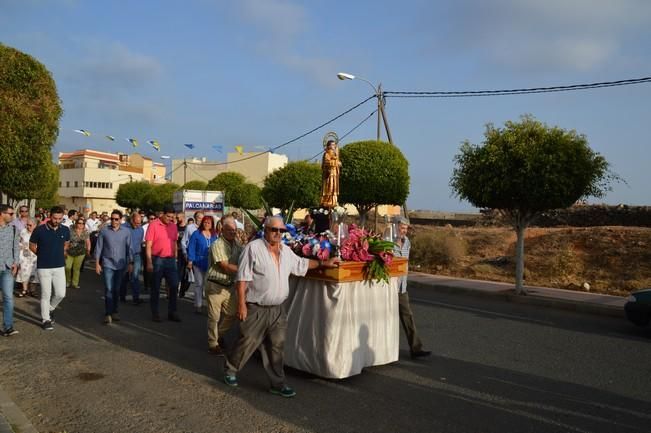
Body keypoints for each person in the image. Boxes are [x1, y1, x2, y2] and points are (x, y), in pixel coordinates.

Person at [223, 216, 340, 397]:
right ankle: (231, 370)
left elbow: (301, 264)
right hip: (256, 307)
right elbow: (242, 278)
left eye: (281, 231)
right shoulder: (253, 249)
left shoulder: (286, 251)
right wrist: (241, 305)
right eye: (274, 230)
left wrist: (324, 263)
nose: (278, 234)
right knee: (247, 342)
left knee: (276, 347)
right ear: (266, 229)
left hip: (278, 309)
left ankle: (277, 383)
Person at [393, 218, 431, 359]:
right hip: (390, 287)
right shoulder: (388, 241)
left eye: (405, 228)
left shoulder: (407, 241)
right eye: (401, 228)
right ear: (395, 227)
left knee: (407, 317)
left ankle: (416, 349)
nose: (403, 231)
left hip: (402, 287)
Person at [204, 216, 242, 355]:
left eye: (234, 230)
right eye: (230, 230)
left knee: (232, 314)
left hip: (229, 286)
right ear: (222, 229)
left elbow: (245, 254)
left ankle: (218, 335)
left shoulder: (237, 244)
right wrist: (244, 270)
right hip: (215, 285)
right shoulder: (217, 244)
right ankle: (213, 344)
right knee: (214, 316)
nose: (233, 232)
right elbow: (224, 266)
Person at [30, 206, 70, 331]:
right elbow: (31, 245)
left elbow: (67, 243)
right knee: (46, 294)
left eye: (59, 218)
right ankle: (46, 319)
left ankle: (51, 308)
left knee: (60, 293)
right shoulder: (39, 230)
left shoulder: (65, 229)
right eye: (54, 218)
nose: (56, 220)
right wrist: (41, 255)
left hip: (59, 266)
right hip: (44, 266)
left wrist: (62, 251)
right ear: (50, 216)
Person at [95, 210, 133, 324]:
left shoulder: (126, 232)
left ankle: (115, 311)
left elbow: (129, 248)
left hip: (120, 265)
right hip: (107, 264)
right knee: (109, 289)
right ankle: (108, 313)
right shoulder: (104, 231)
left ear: (121, 220)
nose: (114, 221)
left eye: (116, 219)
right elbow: (99, 248)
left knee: (116, 289)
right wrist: (97, 263)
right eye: (112, 219)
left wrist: (131, 263)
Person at [145, 206, 181, 322]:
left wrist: (175, 257)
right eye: (168, 216)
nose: (170, 219)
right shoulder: (154, 225)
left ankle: (172, 312)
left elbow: (174, 242)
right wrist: (149, 262)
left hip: (170, 260)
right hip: (157, 259)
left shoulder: (173, 226)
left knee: (174, 285)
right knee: (155, 287)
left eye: (172, 217)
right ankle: (155, 313)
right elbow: (148, 245)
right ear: (162, 214)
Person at [187, 216, 217, 314]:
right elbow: (191, 247)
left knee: (209, 285)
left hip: (210, 263)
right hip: (198, 262)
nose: (206, 224)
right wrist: (190, 261)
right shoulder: (196, 234)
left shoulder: (214, 235)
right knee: (199, 284)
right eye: (205, 222)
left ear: (212, 224)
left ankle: (209, 305)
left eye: (208, 223)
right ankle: (198, 305)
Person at [0, 205, 20, 336]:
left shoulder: (13, 229)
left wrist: (16, 263)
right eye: (11, 213)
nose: (13, 216)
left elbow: (16, 247)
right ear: (2, 214)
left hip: (7, 268)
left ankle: (8, 327)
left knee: (8, 298)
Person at [120, 212, 144, 305]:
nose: (138, 225)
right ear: (131, 220)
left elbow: (139, 242)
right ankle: (122, 296)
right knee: (124, 276)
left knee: (135, 276)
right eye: (136, 223)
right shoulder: (123, 228)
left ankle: (136, 297)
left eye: (139, 223)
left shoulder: (141, 229)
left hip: (136, 255)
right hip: (125, 255)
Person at [65, 216, 90, 290]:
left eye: (82, 224)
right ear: (76, 223)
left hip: (80, 252)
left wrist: (88, 249)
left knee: (76, 269)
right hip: (70, 251)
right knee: (67, 267)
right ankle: (67, 282)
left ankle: (75, 284)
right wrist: (65, 249)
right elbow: (66, 240)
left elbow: (88, 241)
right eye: (79, 223)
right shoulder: (70, 230)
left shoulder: (85, 232)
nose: (81, 225)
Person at [16, 218, 38, 298]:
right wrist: (20, 246)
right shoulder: (23, 232)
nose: (28, 226)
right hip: (24, 257)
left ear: (35, 225)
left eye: (30, 225)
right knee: (24, 272)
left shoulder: (38, 233)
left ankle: (32, 290)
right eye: (27, 225)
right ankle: (24, 290)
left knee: (34, 273)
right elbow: (18, 241)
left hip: (35, 256)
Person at [319, 139, 342, 208]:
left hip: (335, 174)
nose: (334, 146)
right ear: (328, 146)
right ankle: (327, 201)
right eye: (332, 145)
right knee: (329, 187)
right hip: (329, 174)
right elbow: (326, 163)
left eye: (335, 145)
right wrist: (336, 163)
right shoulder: (327, 154)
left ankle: (333, 201)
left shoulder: (336, 154)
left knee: (334, 188)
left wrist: (338, 162)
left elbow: (338, 162)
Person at [176, 212, 191, 298]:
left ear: (183, 217)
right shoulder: (175, 227)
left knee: (188, 273)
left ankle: (183, 289)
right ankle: (179, 290)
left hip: (187, 252)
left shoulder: (187, 228)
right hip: (178, 252)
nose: (177, 219)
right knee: (179, 272)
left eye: (178, 217)